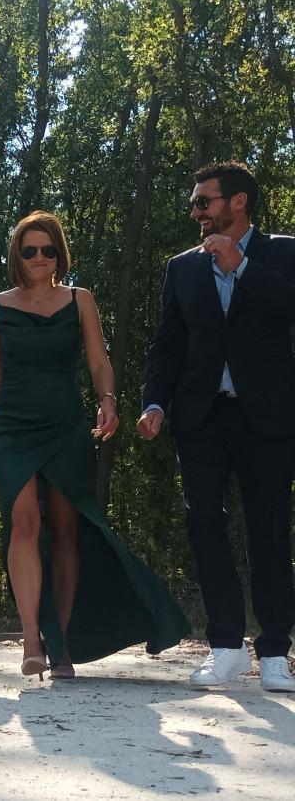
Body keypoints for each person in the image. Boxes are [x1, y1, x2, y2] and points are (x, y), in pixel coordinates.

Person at [0, 212, 189, 680]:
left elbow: (99, 362)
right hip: (13, 426)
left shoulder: (81, 300)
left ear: (60, 254)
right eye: (29, 250)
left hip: (66, 424)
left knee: (67, 532)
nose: (39, 258)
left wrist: (109, 401)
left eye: (48, 250)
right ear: (17, 254)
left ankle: (63, 645)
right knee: (23, 521)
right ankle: (32, 637)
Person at [139, 162, 295, 692]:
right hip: (200, 417)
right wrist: (155, 401)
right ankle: (226, 645)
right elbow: (168, 345)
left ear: (239, 202)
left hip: (268, 417)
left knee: (269, 529)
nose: (196, 212)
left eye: (204, 202)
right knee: (204, 523)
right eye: (195, 204)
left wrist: (242, 266)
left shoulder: (283, 252)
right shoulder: (182, 268)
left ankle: (275, 651)